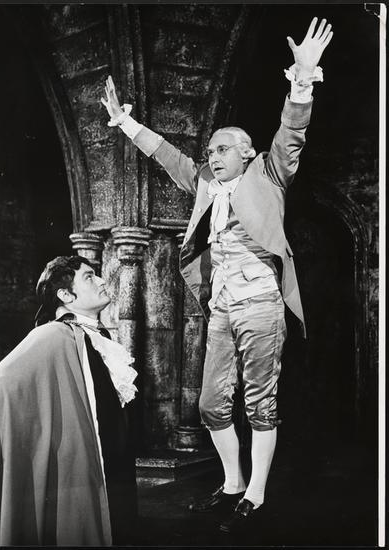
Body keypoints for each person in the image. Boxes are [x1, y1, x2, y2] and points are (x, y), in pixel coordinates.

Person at [101, 17, 333, 533]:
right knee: (210, 403)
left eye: (222, 149)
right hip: (222, 305)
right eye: (210, 152)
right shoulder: (207, 181)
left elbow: (292, 132)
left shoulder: (269, 171)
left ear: (247, 152)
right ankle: (230, 484)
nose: (212, 156)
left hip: (262, 302)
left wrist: (302, 80)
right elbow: (169, 156)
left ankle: (255, 494)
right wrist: (124, 123)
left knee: (260, 402)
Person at [0, 256, 138, 546]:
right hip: (82, 465)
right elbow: (2, 381)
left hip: (111, 466)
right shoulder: (53, 335)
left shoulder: (94, 335)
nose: (101, 281)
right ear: (65, 295)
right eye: (89, 277)